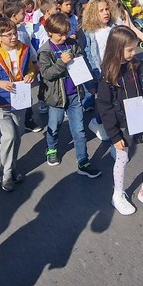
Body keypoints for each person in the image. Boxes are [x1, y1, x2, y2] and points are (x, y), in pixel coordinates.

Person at [96, 26, 143, 216]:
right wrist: (114, 134)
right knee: (123, 158)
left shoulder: (136, 66)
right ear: (117, 48)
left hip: (139, 118)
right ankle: (118, 194)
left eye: (135, 48)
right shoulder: (108, 76)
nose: (134, 53)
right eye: (130, 50)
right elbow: (105, 106)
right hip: (121, 124)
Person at [38, 13, 101, 177]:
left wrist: (89, 84)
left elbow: (82, 64)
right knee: (54, 125)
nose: (64, 37)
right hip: (57, 97)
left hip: (75, 95)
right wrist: (61, 62)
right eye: (60, 34)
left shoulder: (72, 44)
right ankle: (51, 148)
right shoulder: (45, 51)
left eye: (66, 33)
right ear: (49, 32)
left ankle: (83, 161)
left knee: (79, 130)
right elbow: (46, 74)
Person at [0, 17, 38, 192]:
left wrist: (30, 74)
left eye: (14, 33)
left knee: (18, 134)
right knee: (9, 136)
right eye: (8, 35)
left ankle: (11, 168)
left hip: (19, 98)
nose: (13, 37)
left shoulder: (24, 49)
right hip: (1, 100)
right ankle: (6, 175)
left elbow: (30, 68)